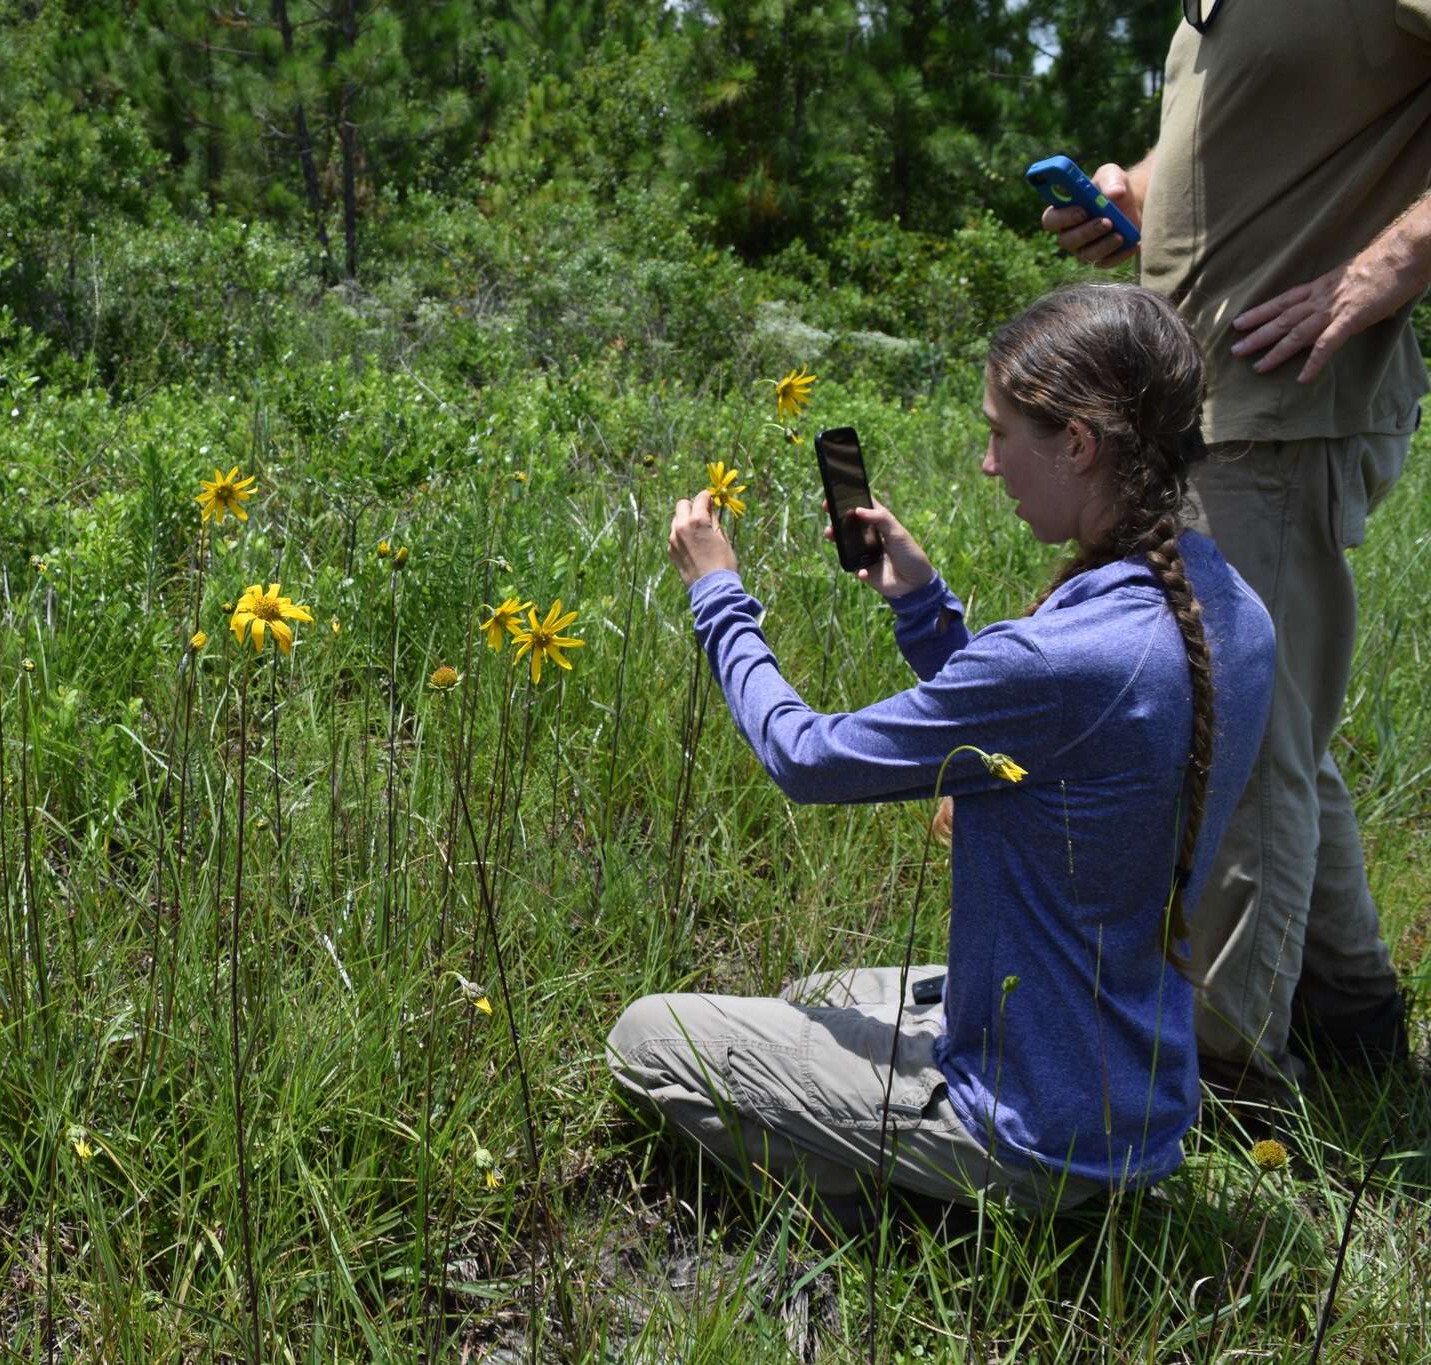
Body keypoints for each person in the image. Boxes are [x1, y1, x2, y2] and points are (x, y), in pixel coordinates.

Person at [607, 283, 1274, 1218]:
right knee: (820, 991)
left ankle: (925, 1205)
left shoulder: (1068, 657)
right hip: (1133, 1093)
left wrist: (720, 596)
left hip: (1032, 1127)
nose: (989, 463)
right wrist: (923, 608)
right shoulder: (1230, 611)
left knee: (648, 1035)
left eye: (1002, 433)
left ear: (1079, 442)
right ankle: (941, 1163)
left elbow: (808, 757)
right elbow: (1054, 737)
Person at [1038, 3, 1426, 1096]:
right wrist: (1139, 193)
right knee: (1270, 717)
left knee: (1235, 737)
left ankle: (1228, 1076)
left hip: (1282, 409)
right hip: (1207, 403)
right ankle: (1352, 1023)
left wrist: (1396, 258)